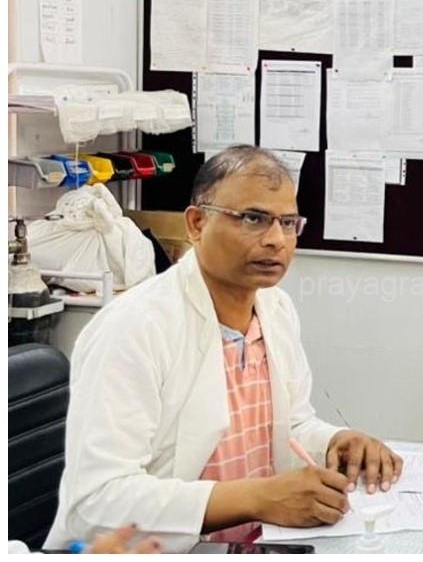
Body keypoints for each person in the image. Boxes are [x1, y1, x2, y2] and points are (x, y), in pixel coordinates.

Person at [45, 146, 403, 552]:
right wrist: (256, 498)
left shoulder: (275, 309)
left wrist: (336, 443)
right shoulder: (134, 328)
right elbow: (97, 501)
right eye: (253, 219)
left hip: (253, 543)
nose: (276, 240)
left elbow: (287, 428)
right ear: (197, 223)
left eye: (288, 223)